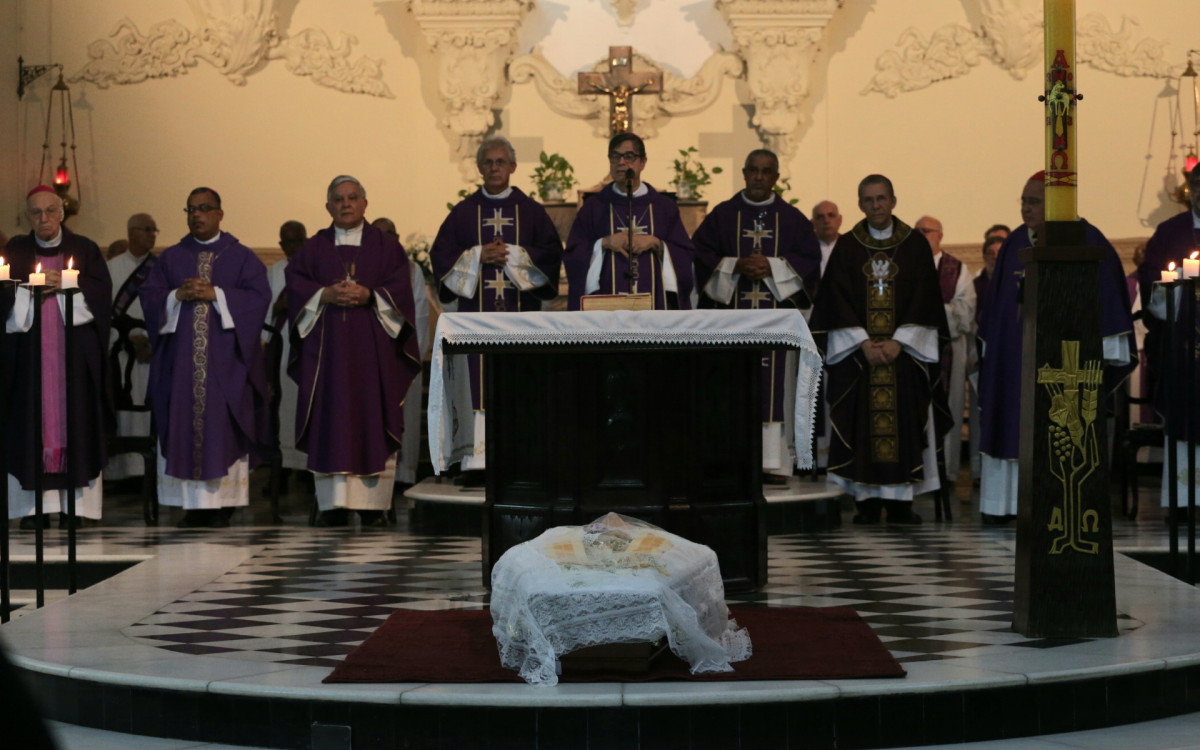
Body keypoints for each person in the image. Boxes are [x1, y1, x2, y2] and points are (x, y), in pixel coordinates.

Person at [977, 172, 1135, 524]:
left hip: (1066, 364)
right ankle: (1005, 505)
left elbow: (1108, 302)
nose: (1025, 209)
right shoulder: (1016, 243)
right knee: (1011, 422)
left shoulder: (1088, 239)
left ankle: (1064, 506)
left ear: (1056, 204)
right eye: (1023, 201)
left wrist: (1105, 354)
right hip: (1015, 362)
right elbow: (998, 312)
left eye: (1033, 202)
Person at [808, 175, 952, 524]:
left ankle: (902, 502)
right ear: (859, 204)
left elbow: (925, 298)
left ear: (893, 200)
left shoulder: (915, 246)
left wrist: (899, 341)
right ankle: (867, 502)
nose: (875, 205)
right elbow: (835, 298)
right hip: (861, 357)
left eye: (881, 198)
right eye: (868, 200)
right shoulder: (849, 246)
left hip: (902, 355)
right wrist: (861, 342)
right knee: (860, 424)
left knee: (905, 421)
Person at [285, 175, 422, 526]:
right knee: (330, 421)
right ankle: (332, 507)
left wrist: (371, 296)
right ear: (328, 206)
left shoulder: (387, 247)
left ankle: (372, 507)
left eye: (353, 197)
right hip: (326, 358)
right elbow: (297, 285)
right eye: (339, 199)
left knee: (372, 419)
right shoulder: (313, 248)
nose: (346, 204)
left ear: (365, 203)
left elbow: (400, 291)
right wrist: (324, 295)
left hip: (372, 358)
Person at [140, 187, 271, 528]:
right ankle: (189, 506)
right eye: (190, 209)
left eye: (203, 208)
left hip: (226, 367)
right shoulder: (170, 258)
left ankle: (222, 504)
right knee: (183, 426)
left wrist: (218, 294)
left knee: (222, 429)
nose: (196, 215)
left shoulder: (240, 256)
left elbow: (259, 298)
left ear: (219, 214)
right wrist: (174, 296)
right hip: (181, 369)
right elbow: (150, 298)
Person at [431, 137, 562, 476]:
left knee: (520, 383)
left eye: (500, 162)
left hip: (522, 318)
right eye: (487, 163)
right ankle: (477, 461)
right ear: (479, 168)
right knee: (477, 383)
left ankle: (522, 458)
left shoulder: (532, 211)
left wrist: (514, 256)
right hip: (477, 319)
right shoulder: (463, 213)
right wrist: (477, 256)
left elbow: (550, 254)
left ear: (513, 167)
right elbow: (441, 256)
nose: (494, 168)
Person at [692, 149, 821, 481]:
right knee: (731, 387)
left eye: (767, 172)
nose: (760, 177)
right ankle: (730, 461)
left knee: (774, 388)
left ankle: (772, 464)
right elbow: (701, 254)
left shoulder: (792, 219)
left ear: (776, 177)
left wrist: (773, 266)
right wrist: (735, 264)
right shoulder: (723, 215)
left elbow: (809, 260)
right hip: (731, 321)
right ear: (745, 173)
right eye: (754, 171)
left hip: (775, 322)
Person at [3, 185, 114, 528]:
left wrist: (69, 287)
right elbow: (3, 297)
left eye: (50, 211)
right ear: (27, 218)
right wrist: (26, 291)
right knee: (27, 425)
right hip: (28, 362)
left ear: (62, 213)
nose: (43, 218)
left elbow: (100, 297)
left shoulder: (85, 249)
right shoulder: (16, 250)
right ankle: (32, 511)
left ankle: (74, 510)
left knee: (75, 421)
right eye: (35, 213)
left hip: (73, 363)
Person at [564, 132, 695, 310]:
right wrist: (604, 243)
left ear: (643, 162)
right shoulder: (594, 207)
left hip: (655, 308)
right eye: (615, 156)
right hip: (606, 311)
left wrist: (656, 243)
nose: (621, 162)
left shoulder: (663, 207)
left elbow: (685, 256)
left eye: (629, 156)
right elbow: (573, 256)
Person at [1140, 165, 1200, 514]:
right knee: (1185, 417)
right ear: (1189, 188)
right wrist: (1174, 283)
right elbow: (1151, 277)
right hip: (1182, 345)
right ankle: (1185, 499)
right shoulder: (1169, 231)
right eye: (1197, 184)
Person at [915, 215, 976, 480]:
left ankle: (945, 474)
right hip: (913, 351)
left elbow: (965, 312)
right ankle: (917, 471)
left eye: (925, 231)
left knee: (946, 410)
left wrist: (929, 312)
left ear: (940, 235)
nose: (920, 235)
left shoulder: (957, 269)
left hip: (948, 349)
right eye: (916, 231)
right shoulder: (905, 266)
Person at [375, 216, 433, 488]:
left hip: (403, 357)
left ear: (398, 238)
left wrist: (412, 355)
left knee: (405, 416)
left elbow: (420, 314)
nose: (386, 240)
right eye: (379, 235)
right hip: (371, 359)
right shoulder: (363, 270)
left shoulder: (411, 270)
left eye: (390, 234)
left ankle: (403, 475)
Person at [105, 213, 159, 481]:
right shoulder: (111, 268)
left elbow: (166, 309)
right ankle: (122, 472)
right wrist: (129, 338)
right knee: (124, 405)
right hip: (121, 351)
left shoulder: (160, 269)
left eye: (154, 230)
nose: (152, 235)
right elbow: (104, 313)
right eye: (147, 230)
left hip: (153, 348)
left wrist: (149, 337)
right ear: (131, 233)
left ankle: (149, 471)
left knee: (150, 405)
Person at [263, 220, 308, 478]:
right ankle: (280, 471)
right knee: (280, 408)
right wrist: (279, 306)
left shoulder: (315, 268)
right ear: (280, 244)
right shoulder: (272, 273)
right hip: (280, 346)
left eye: (297, 240)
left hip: (306, 344)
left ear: (306, 240)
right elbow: (263, 309)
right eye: (287, 241)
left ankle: (305, 469)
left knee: (303, 406)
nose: (292, 246)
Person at [968, 232, 1006, 484]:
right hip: (979, 359)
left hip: (1005, 358)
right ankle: (978, 471)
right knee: (978, 415)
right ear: (983, 256)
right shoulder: (975, 284)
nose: (994, 257)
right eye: (990, 253)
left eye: (998, 253)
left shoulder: (1012, 282)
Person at [811, 200, 843, 287]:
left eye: (831, 215)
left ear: (840, 220)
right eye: (820, 217)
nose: (826, 221)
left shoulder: (850, 248)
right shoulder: (804, 251)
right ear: (812, 223)